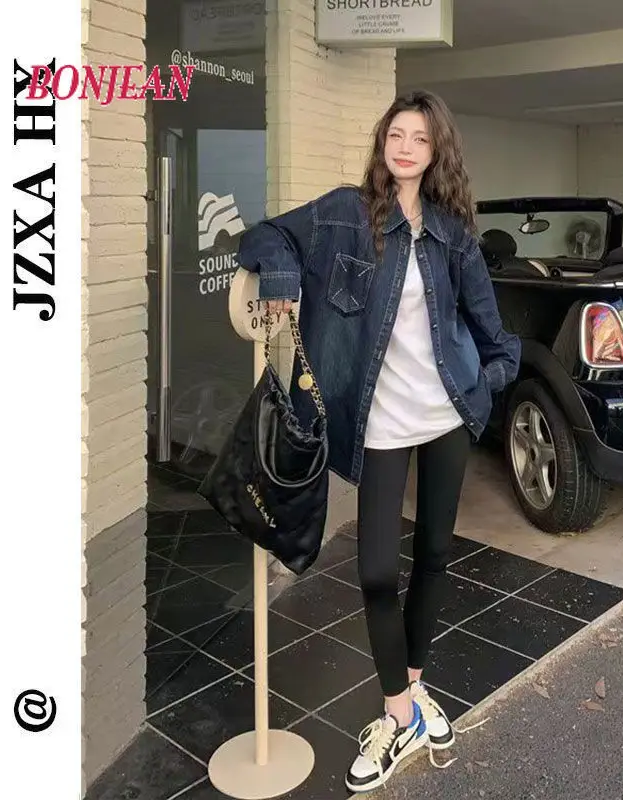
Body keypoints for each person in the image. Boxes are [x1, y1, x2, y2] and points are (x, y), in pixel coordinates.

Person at [237, 89, 521, 793]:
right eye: (397, 134)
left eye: (420, 139)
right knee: (373, 572)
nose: (406, 148)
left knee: (434, 556)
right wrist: (280, 280)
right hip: (383, 424)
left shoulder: (453, 234)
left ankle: (411, 695)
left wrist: (482, 384)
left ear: (437, 150)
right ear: (382, 141)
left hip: (445, 415)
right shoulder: (344, 213)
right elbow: (265, 235)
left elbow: (495, 334)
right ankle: (400, 713)